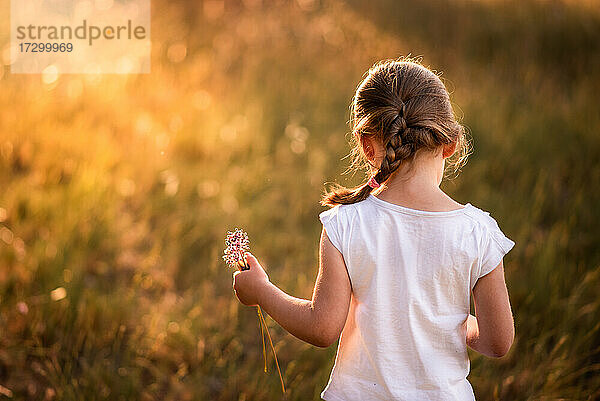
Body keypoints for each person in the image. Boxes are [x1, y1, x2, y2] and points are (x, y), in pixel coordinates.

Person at [232, 58, 515, 400]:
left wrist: (262, 290)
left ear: (367, 145)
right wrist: (448, 321)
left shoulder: (346, 224)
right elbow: (497, 342)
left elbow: (321, 329)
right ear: (450, 144)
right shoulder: (477, 232)